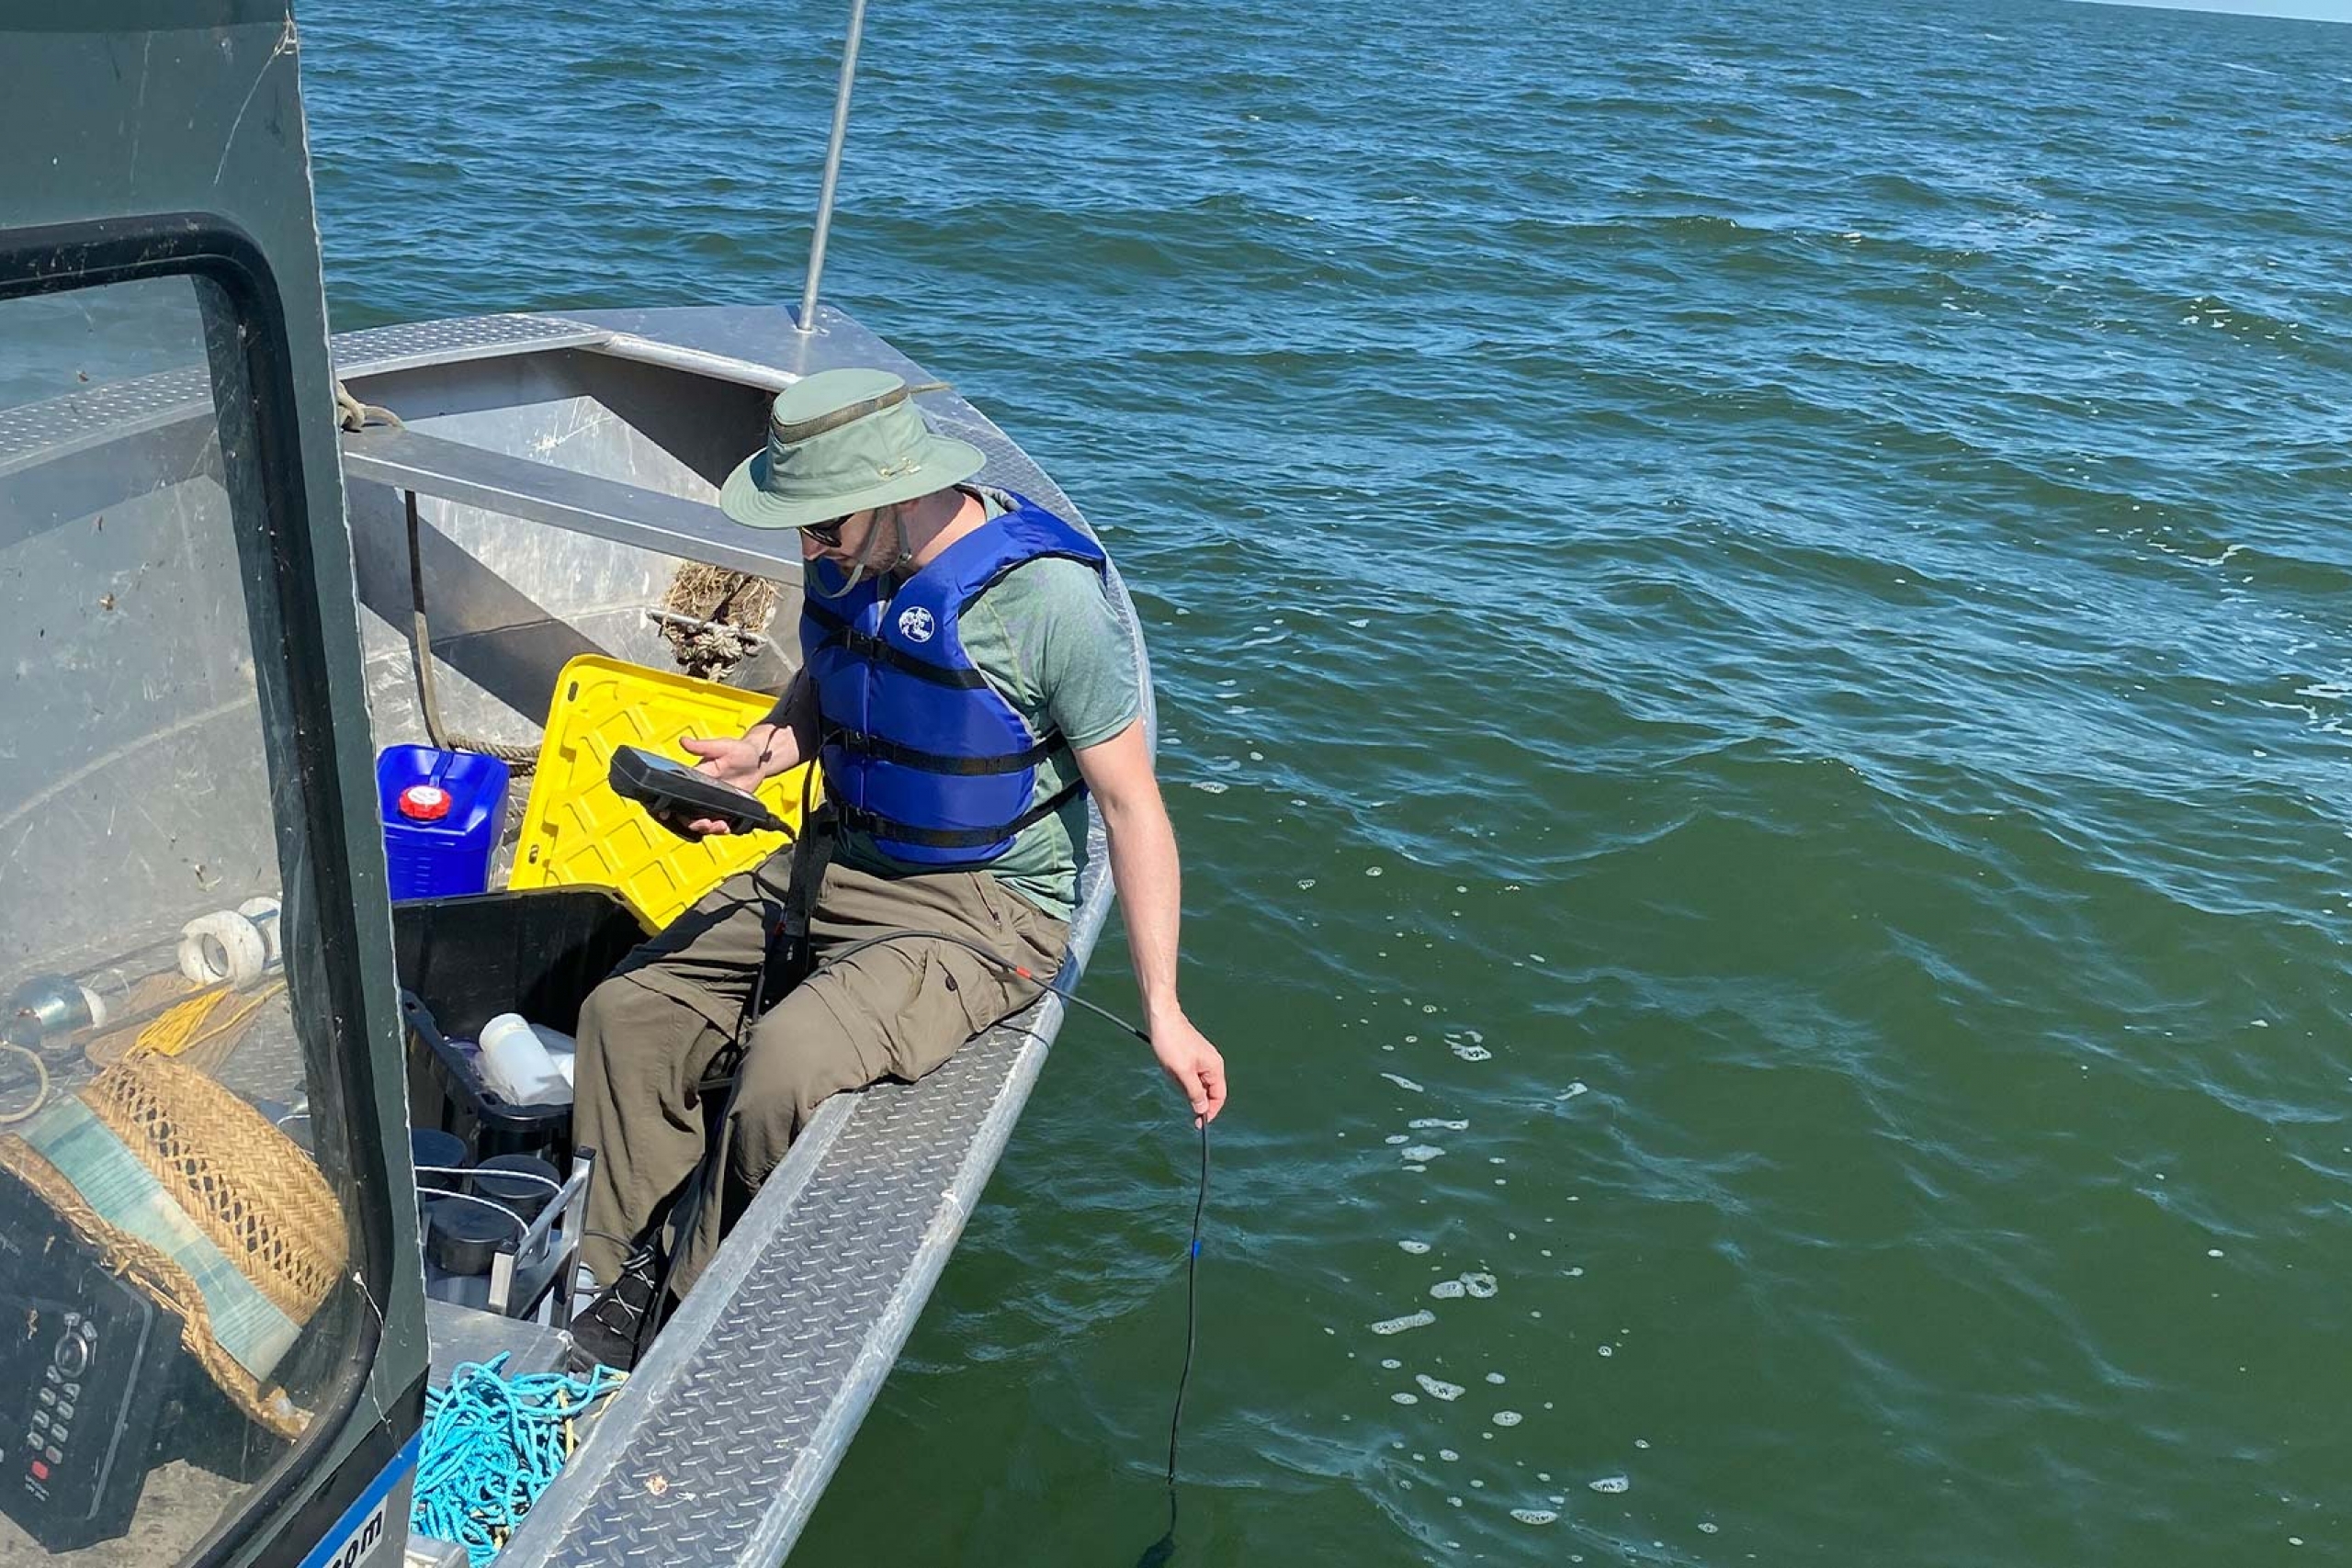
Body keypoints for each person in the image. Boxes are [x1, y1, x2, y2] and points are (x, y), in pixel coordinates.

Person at [566, 367, 1227, 1368]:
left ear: (899, 490)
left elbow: (1135, 808)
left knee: (785, 1067)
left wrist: (1166, 1010)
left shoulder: (1047, 601)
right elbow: (837, 679)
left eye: (825, 526)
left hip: (988, 911)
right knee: (629, 1014)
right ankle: (611, 1279)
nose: (809, 547)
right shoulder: (845, 554)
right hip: (841, 859)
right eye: (800, 526)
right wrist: (761, 753)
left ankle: (686, 1330)